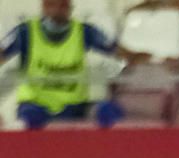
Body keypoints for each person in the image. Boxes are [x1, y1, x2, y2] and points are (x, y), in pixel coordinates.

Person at [0, 0, 152, 129]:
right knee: (29, 120)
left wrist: (146, 57)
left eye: (63, 5)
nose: (58, 10)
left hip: (74, 106)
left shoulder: (84, 31)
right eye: (53, 5)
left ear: (70, 8)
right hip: (35, 106)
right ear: (44, 7)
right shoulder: (25, 32)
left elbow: (117, 51)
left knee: (109, 110)